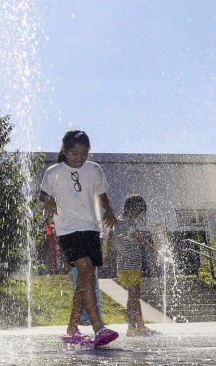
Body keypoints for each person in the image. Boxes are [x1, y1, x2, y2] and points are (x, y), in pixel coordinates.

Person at [40, 129, 119, 348]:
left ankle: (72, 329)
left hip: (91, 228)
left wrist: (109, 211)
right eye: (75, 153)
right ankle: (98, 327)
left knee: (86, 279)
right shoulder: (53, 172)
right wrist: (48, 201)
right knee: (85, 271)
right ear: (64, 151)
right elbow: (43, 194)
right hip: (68, 230)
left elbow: (101, 194)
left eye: (84, 153)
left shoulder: (94, 170)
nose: (79, 158)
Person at [112, 195, 158, 337]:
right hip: (131, 266)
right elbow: (141, 240)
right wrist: (155, 251)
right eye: (139, 211)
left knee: (134, 296)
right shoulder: (130, 223)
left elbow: (114, 244)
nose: (139, 214)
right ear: (134, 208)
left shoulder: (118, 221)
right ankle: (131, 327)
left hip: (122, 265)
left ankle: (141, 326)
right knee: (133, 298)